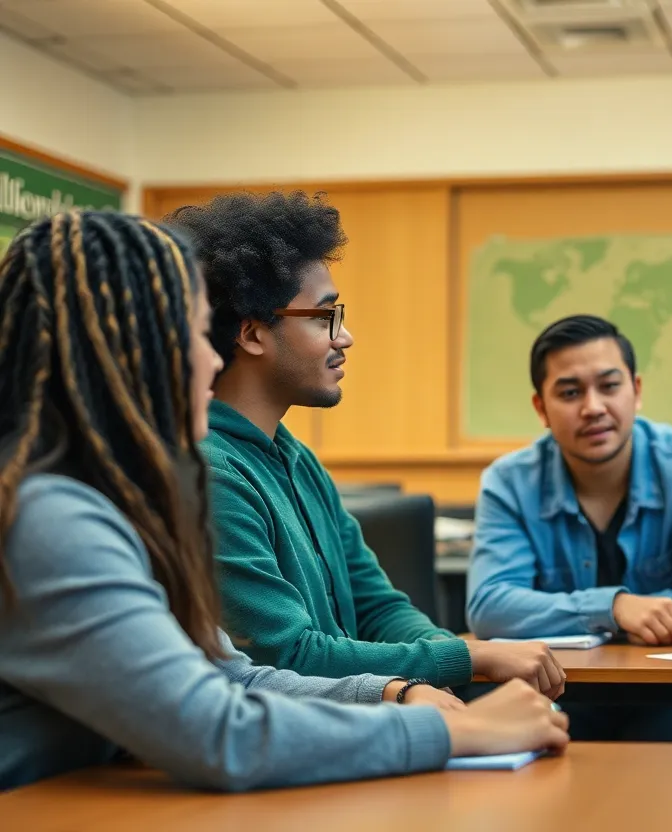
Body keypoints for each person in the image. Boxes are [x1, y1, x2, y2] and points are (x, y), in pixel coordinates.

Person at [0, 211, 568, 792]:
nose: (213, 359)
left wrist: (391, 691)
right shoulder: (49, 518)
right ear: (132, 351)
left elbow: (232, 678)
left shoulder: (113, 503)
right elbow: (221, 732)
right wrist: (455, 732)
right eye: (196, 335)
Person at [167, 192, 564, 702]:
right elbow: (289, 655)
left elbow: (377, 606)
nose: (345, 337)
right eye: (323, 317)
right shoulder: (211, 474)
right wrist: (468, 656)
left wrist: (444, 654)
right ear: (251, 334)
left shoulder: (295, 458)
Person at [465, 314, 672, 644]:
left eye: (609, 386)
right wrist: (615, 607)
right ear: (541, 409)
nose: (593, 407)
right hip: (554, 685)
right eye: (569, 393)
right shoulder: (508, 482)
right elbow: (489, 606)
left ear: (636, 392)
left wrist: (583, 614)